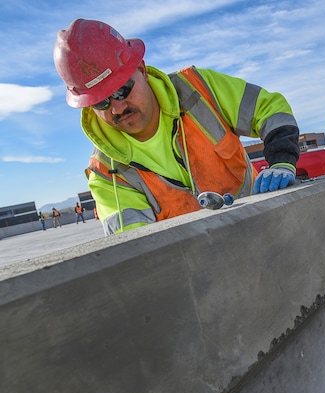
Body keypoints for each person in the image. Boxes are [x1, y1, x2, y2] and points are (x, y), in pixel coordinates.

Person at [53, 19, 300, 235]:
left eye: (121, 90)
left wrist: (281, 161)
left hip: (262, 225)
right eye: (101, 101)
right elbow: (137, 248)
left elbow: (269, 109)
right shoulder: (107, 174)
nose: (117, 108)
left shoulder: (199, 89)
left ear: (141, 70)